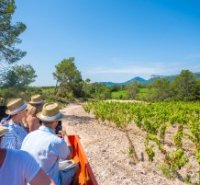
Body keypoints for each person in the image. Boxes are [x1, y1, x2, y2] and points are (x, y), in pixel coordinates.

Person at [21, 103, 76, 185]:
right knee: (75, 167)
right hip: (49, 182)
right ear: (56, 122)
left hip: (28, 181)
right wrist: (66, 137)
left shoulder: (29, 136)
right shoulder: (56, 141)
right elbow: (69, 156)